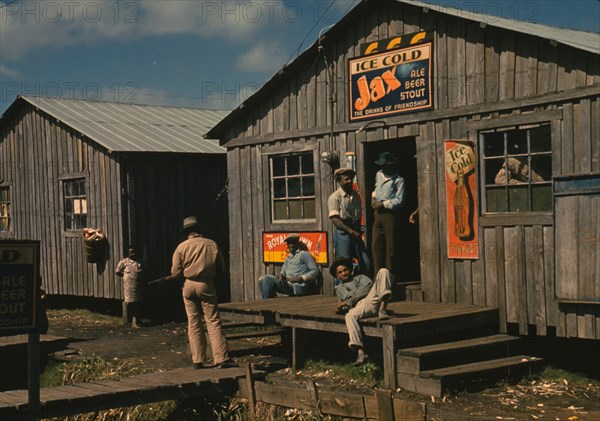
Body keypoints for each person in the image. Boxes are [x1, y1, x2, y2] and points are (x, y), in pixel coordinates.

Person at [165, 216, 234, 369]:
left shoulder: (181, 247)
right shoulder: (211, 244)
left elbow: (175, 272)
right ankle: (221, 358)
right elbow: (221, 267)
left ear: (187, 232)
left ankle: (198, 359)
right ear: (199, 230)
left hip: (188, 284)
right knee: (213, 320)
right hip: (206, 283)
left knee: (193, 321)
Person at [330, 257, 393, 366]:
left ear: (350, 270)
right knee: (349, 316)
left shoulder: (361, 278)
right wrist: (340, 308)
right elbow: (345, 306)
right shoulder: (339, 289)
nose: (344, 273)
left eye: (345, 270)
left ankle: (382, 309)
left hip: (372, 299)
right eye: (340, 272)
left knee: (383, 271)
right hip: (360, 307)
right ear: (337, 276)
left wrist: (348, 302)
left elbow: (367, 289)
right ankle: (360, 352)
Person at [327, 167, 371, 276]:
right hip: (343, 232)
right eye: (346, 179)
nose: (349, 181)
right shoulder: (335, 197)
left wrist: (358, 229)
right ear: (339, 181)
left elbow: (358, 214)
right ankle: (341, 289)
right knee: (343, 265)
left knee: (366, 262)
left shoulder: (355, 195)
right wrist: (350, 231)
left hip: (355, 231)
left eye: (351, 178)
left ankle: (361, 286)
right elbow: (335, 219)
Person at [371, 152, 405, 275]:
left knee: (391, 248)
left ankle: (391, 277)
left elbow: (399, 200)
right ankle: (378, 277)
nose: (384, 168)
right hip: (377, 214)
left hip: (390, 215)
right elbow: (376, 188)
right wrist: (373, 199)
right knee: (376, 245)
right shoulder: (379, 174)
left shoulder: (398, 180)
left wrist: (384, 204)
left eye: (386, 166)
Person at [258, 233, 320, 298]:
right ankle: (268, 301)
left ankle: (268, 302)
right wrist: (280, 276)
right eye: (289, 243)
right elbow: (282, 273)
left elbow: (315, 271)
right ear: (287, 245)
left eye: (294, 243)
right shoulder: (288, 257)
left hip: (299, 286)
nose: (291, 245)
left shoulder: (304, 254)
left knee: (266, 279)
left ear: (298, 243)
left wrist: (300, 278)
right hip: (288, 285)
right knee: (263, 280)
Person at [115, 245, 144, 329]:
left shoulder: (140, 262)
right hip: (128, 286)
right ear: (128, 254)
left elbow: (145, 270)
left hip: (138, 285)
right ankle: (132, 321)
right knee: (130, 303)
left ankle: (136, 320)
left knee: (137, 303)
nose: (133, 254)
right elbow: (117, 272)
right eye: (131, 253)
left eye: (135, 252)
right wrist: (125, 277)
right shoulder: (124, 262)